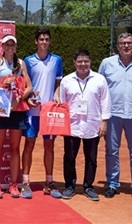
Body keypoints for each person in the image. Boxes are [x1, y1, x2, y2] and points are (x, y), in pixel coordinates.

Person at [60, 49, 111, 201]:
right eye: (80, 61)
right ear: (74, 63)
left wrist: (104, 121)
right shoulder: (66, 81)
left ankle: (88, 186)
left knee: (91, 158)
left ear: (90, 61)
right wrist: (61, 125)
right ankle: (70, 185)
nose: (83, 64)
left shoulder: (100, 79)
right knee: (69, 157)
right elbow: (62, 104)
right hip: (72, 126)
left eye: (86, 61)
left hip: (92, 125)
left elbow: (105, 101)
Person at [0, 34, 32, 199]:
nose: (10, 47)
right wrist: (2, 85)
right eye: (7, 45)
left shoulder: (21, 64)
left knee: (15, 148)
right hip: (0, 111)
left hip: (17, 111)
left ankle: (13, 185)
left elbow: (29, 86)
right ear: (2, 46)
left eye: (12, 45)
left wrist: (21, 96)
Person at [22, 27, 63, 199]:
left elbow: (58, 83)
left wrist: (56, 95)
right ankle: (25, 182)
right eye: (41, 39)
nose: (44, 42)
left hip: (49, 112)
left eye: (47, 39)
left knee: (49, 146)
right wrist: (29, 98)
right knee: (29, 145)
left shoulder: (57, 60)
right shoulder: (28, 61)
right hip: (32, 111)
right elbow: (26, 85)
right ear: (36, 41)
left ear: (49, 41)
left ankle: (49, 182)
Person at [98, 32, 132, 198]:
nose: (126, 46)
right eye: (123, 43)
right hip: (112, 115)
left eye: (129, 43)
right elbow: (100, 88)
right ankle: (112, 183)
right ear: (117, 46)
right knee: (112, 150)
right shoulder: (107, 63)